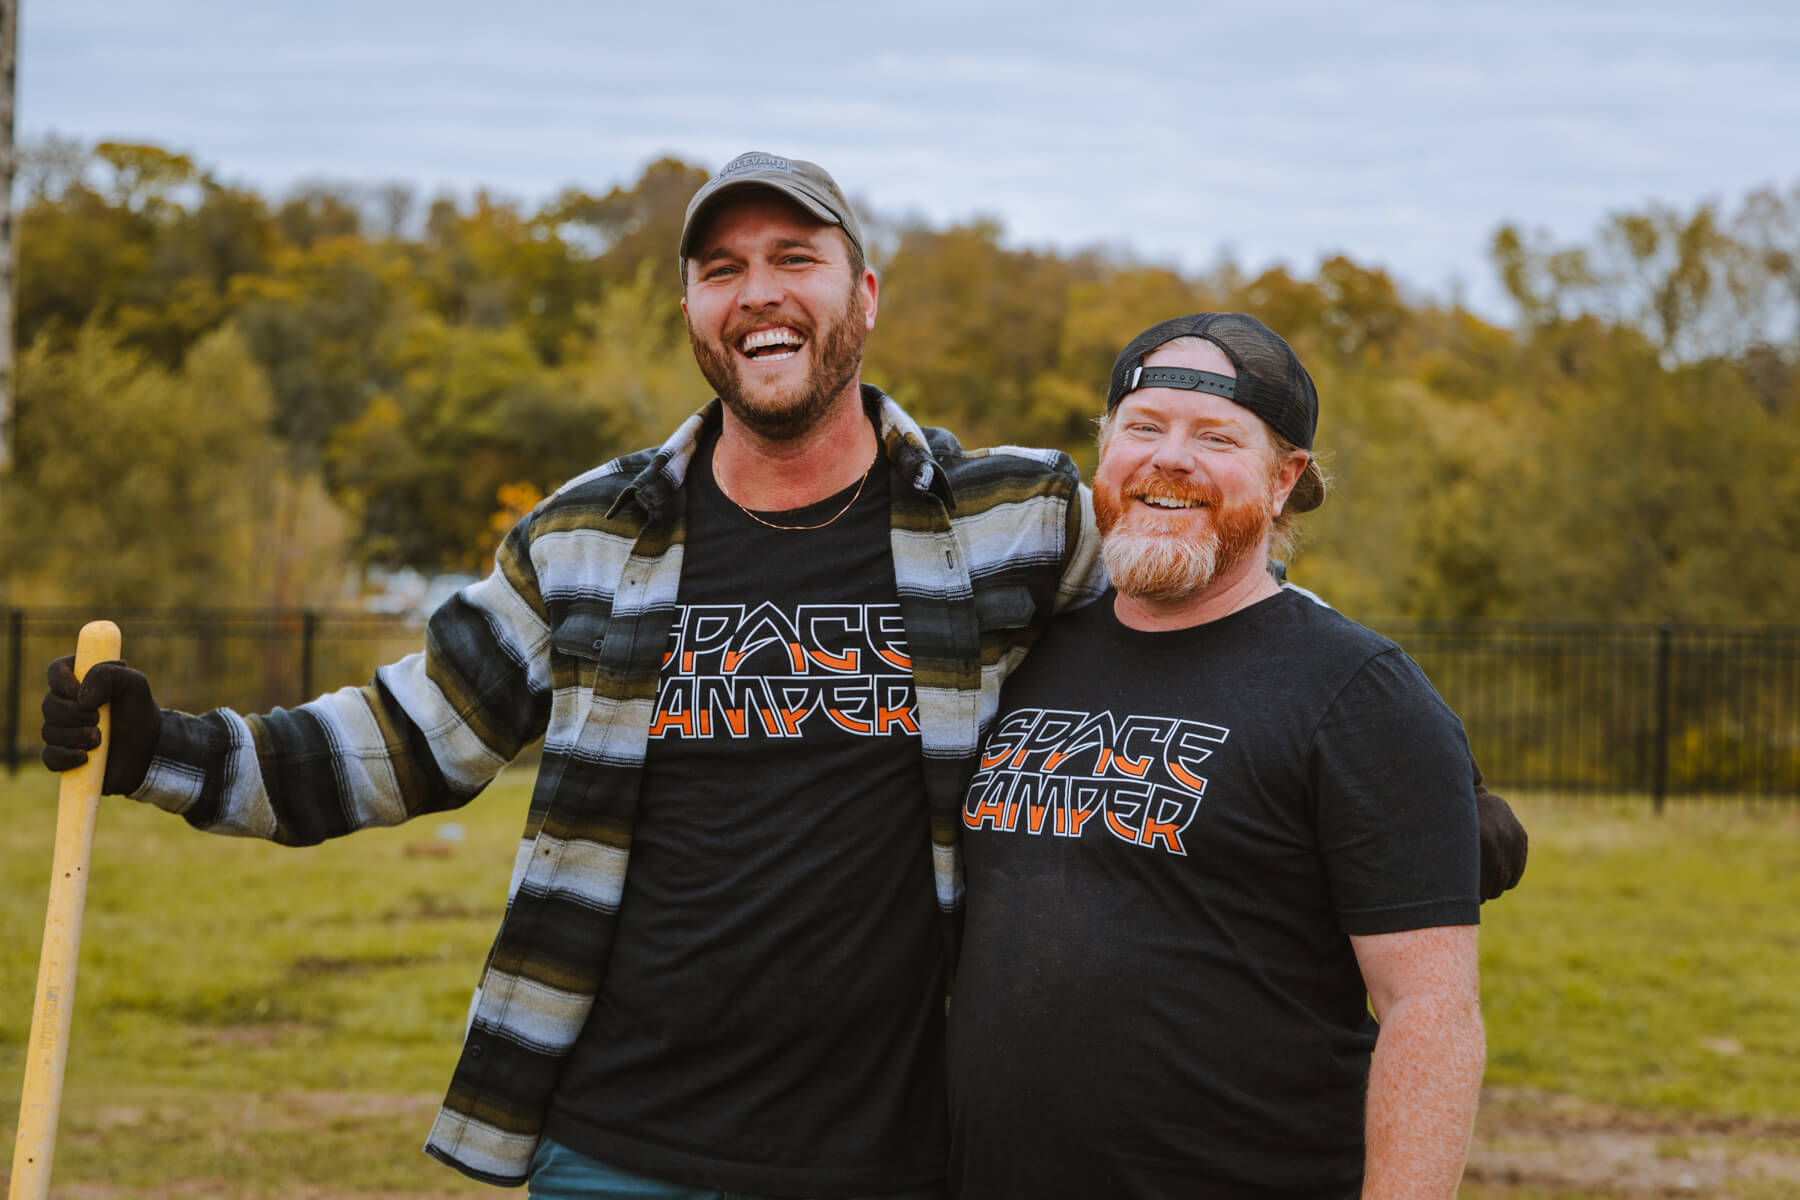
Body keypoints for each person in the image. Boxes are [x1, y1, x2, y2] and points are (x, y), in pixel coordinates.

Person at [38, 157, 1521, 1199]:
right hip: (614, 1137)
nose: (761, 293)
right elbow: (398, 744)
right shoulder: (590, 538)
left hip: (890, 1150)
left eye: (795, 259)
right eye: (723, 268)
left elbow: (1214, 595)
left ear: (862, 297)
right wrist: (166, 747)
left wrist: (1412, 797)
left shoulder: (1004, 520)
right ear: (691, 310)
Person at [946, 313, 1490, 1200]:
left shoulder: (1357, 692)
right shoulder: (1026, 656)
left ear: (1285, 482)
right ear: (1103, 453)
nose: (1170, 460)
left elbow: (1429, 1014)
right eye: (1144, 428)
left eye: (1216, 437)